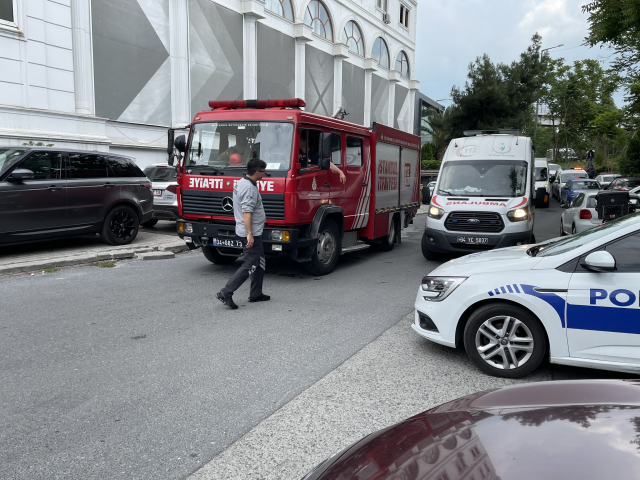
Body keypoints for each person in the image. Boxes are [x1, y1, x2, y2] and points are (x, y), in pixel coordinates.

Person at [216, 158, 270, 309]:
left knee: (259, 261)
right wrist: (250, 234)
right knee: (250, 263)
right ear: (257, 171)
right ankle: (226, 292)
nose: (264, 175)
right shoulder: (249, 188)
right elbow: (247, 213)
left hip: (249, 230)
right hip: (249, 232)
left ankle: (256, 293)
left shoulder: (242, 182)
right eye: (263, 172)